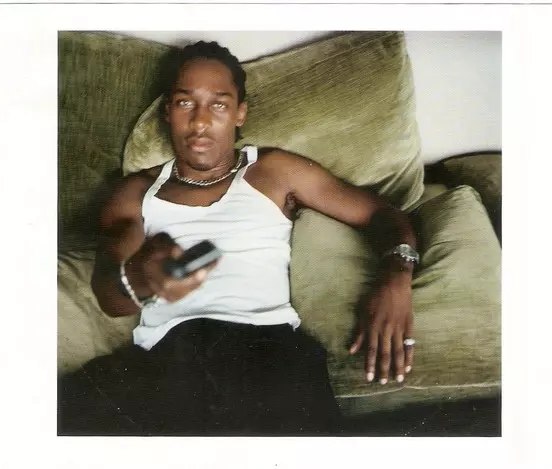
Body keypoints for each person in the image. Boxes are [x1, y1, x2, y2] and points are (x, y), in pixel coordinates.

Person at [57, 40, 419, 436]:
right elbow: (109, 294)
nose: (200, 121)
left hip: (266, 352)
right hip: (168, 357)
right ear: (168, 112)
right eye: (185, 103)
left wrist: (396, 278)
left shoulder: (275, 171)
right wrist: (142, 279)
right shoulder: (135, 193)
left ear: (239, 113)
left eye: (218, 104)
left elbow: (382, 215)